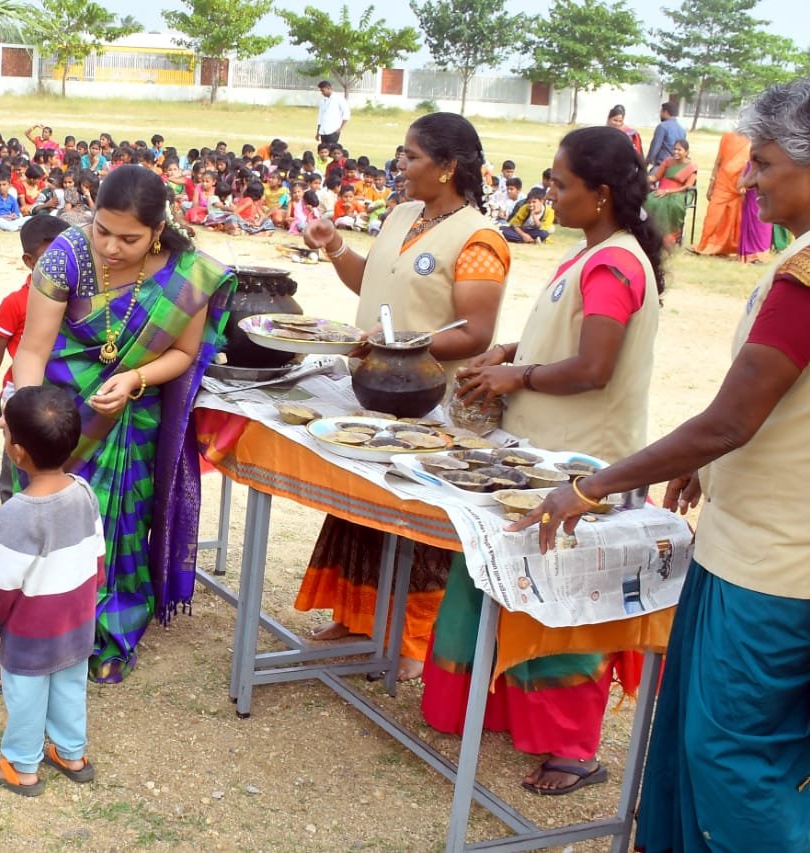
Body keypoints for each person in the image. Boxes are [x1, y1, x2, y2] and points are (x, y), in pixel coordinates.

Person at [511, 80, 810, 849]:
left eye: (766, 164)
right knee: (703, 741)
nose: (748, 181)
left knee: (732, 754)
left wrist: (591, 486)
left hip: (774, 569)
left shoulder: (805, 280)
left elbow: (734, 416)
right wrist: (709, 466)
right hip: (750, 543)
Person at [453, 124, 665, 795]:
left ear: (600, 194)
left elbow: (595, 365)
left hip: (582, 461)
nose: (548, 192)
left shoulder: (613, 263)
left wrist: (521, 377)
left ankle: (573, 748)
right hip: (547, 453)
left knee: (565, 605)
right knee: (523, 588)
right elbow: (568, 337)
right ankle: (512, 715)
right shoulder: (596, 254)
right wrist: (511, 352)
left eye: (560, 183)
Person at [294, 112, 510, 679]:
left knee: (415, 516)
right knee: (364, 507)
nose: (401, 164)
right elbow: (374, 284)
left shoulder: (478, 237)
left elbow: (476, 332)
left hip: (431, 400)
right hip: (377, 388)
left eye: (412, 156)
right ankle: (357, 616)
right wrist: (336, 246)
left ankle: (410, 638)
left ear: (447, 168)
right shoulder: (402, 215)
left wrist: (404, 345)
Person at [13, 165, 236, 683]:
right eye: (102, 231)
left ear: (158, 230)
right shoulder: (64, 256)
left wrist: (135, 377)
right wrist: (26, 415)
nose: (112, 248)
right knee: (59, 519)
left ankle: (113, 631)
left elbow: (182, 354)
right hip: (62, 414)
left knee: (123, 523)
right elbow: (33, 350)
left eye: (129, 238)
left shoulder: (189, 273)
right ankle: (48, 622)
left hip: (133, 414)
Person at [0, 385, 106, 797]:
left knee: (27, 696)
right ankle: (71, 755)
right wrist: (89, 594)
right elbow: (98, 554)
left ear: (18, 452)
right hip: (77, 621)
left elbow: (4, 582)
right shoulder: (83, 491)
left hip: (31, 632)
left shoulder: (18, 512)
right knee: (70, 686)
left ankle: (20, 766)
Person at [0, 214, 70, 503]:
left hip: (61, 388)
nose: (58, 266)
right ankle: (12, 502)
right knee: (18, 450)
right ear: (29, 261)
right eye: (48, 258)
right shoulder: (15, 303)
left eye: (64, 258)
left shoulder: (75, 299)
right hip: (22, 389)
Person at [691, 130, 749, 257]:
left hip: (738, 187)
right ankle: (705, 245)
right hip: (722, 183)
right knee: (713, 216)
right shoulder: (727, 137)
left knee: (734, 218)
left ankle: (727, 247)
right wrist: (711, 184)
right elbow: (718, 161)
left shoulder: (752, 141)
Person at [644, 140, 697, 246]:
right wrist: (641, 178)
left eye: (679, 150)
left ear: (686, 152)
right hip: (662, 189)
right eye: (675, 149)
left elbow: (687, 186)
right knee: (650, 201)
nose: (676, 152)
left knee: (673, 205)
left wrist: (668, 191)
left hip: (680, 193)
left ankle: (670, 236)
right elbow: (655, 177)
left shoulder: (692, 166)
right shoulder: (668, 161)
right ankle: (650, 233)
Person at [738, 161, 773, 263]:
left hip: (765, 194)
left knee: (763, 224)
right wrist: (743, 186)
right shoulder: (752, 162)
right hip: (752, 195)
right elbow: (744, 177)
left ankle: (760, 255)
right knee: (753, 222)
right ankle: (751, 255)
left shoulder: (771, 162)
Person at [646, 100, 687, 169]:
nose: (660, 114)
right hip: (676, 167)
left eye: (661, 112)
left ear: (665, 112)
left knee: (647, 179)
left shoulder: (662, 127)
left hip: (662, 165)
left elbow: (655, 147)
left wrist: (646, 162)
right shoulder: (682, 130)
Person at [315, 80, 350, 145]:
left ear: (328, 88)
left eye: (323, 90)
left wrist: (340, 129)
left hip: (333, 130)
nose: (322, 93)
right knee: (324, 150)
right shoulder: (323, 101)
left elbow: (346, 114)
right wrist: (318, 132)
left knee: (332, 150)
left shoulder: (339, 98)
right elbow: (320, 117)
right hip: (323, 131)